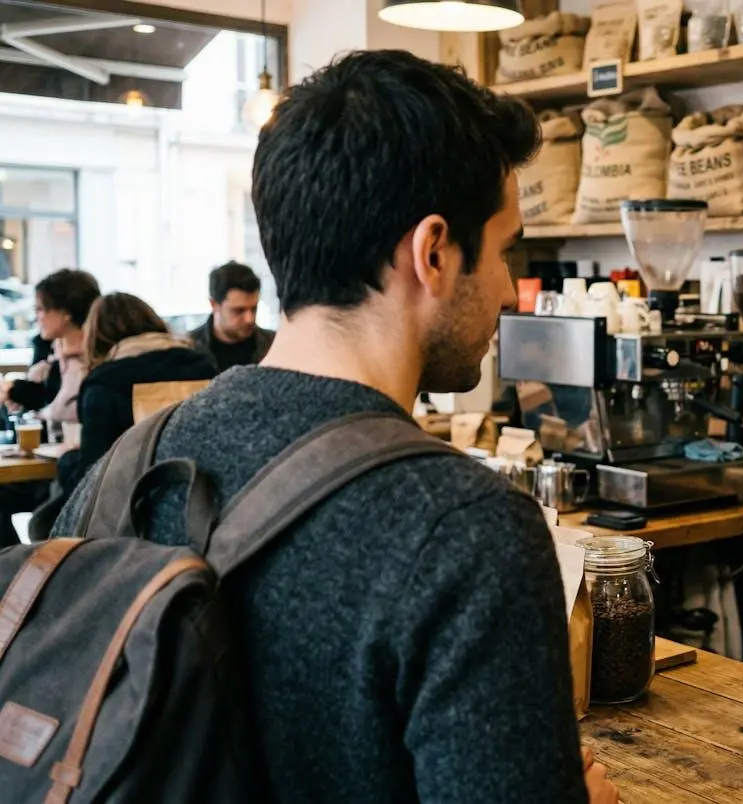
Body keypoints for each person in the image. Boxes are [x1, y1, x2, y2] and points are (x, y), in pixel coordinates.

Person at [54, 49, 609, 804]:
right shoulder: (467, 530)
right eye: (505, 250)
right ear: (434, 252)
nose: (510, 290)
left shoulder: (125, 468)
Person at [53, 293, 217, 498]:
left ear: (97, 337)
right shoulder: (204, 367)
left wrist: (67, 460)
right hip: (202, 497)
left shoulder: (104, 386)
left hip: (135, 506)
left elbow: (89, 486)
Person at [0, 269, 99, 548]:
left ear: (64, 313)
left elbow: (62, 406)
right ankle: (15, 566)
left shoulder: (97, 357)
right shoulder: (50, 351)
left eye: (41, 309)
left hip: (78, 468)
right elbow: (45, 399)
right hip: (50, 459)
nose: (37, 317)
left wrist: (19, 392)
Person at [188, 260, 274, 372]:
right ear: (214, 305)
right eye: (239, 311)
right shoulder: (189, 348)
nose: (249, 319)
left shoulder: (273, 345)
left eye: (254, 309)